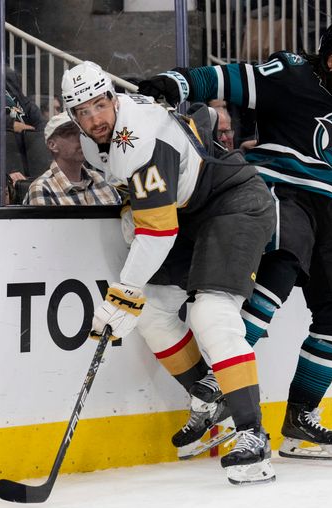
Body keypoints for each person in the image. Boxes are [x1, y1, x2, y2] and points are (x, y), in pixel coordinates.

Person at [138, 18, 332, 461]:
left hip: (326, 211)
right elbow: (229, 77)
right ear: (330, 58)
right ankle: (217, 384)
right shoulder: (290, 74)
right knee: (278, 275)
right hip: (284, 199)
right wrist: (176, 83)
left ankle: (299, 418)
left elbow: (320, 165)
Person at [62, 61, 277, 485]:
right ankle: (208, 399)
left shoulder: (136, 137)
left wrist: (123, 293)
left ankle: (253, 436)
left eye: (99, 105)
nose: (94, 119)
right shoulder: (97, 140)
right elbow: (202, 117)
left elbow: (158, 234)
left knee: (210, 313)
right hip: (191, 213)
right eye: (82, 112)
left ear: (111, 96)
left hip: (234, 201)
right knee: (153, 314)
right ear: (73, 117)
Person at [23, 113, 122, 206]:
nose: (83, 139)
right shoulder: (42, 188)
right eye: (72, 134)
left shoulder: (101, 179)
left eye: (84, 133)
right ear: (52, 145)